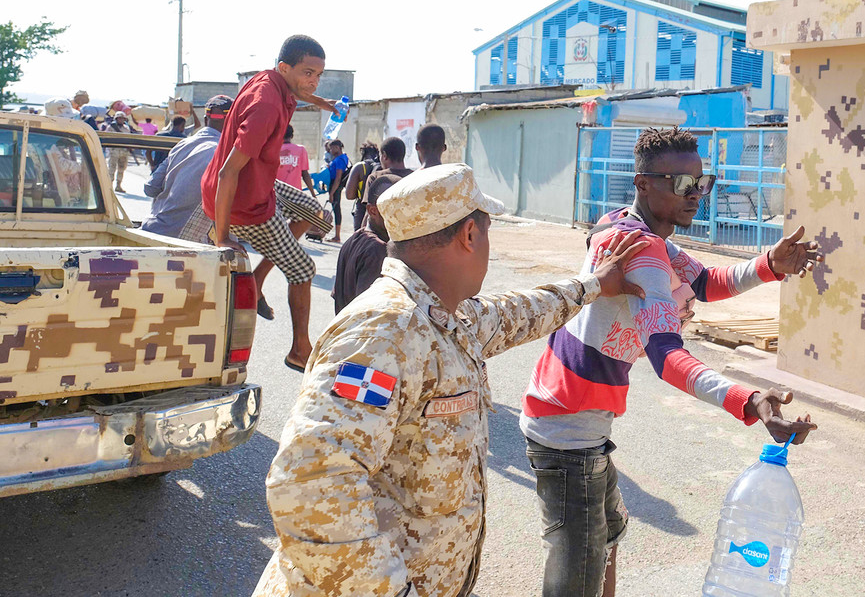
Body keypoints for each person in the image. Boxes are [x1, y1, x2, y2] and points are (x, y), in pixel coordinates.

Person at [254, 163, 649, 597]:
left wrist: (592, 285)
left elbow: (516, 313)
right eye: (488, 232)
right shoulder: (383, 332)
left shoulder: (443, 314)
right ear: (470, 235)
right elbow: (310, 487)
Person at [520, 127, 821, 597]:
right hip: (567, 432)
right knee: (578, 573)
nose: (696, 194)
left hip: (573, 420)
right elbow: (667, 357)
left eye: (703, 182)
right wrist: (748, 400)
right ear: (643, 184)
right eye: (682, 184)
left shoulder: (628, 227)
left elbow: (705, 282)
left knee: (606, 541)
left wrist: (769, 265)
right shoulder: (641, 249)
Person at [201, 34, 337, 372]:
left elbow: (297, 91)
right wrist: (222, 236)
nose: (313, 81)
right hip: (244, 204)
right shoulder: (267, 106)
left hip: (258, 182)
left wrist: (321, 102)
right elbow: (229, 171)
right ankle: (299, 350)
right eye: (308, 73)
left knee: (319, 215)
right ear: (284, 68)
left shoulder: (271, 81)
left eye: (319, 75)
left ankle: (260, 277)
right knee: (303, 270)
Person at [140, 96, 234, 242]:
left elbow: (150, 188)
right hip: (182, 244)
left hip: (150, 230)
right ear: (233, 122)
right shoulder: (226, 156)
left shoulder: (181, 145)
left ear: (206, 119)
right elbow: (226, 210)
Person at [331, 173, 398, 314]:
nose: (402, 214)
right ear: (372, 211)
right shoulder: (378, 250)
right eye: (394, 208)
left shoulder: (354, 239)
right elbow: (369, 312)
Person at [360, 136, 413, 215]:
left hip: (382, 223)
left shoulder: (375, 177)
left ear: (384, 156)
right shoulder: (415, 176)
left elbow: (369, 213)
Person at [345, 141, 380, 230]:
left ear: (363, 153)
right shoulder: (383, 167)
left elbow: (349, 195)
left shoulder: (360, 167)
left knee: (361, 236)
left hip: (362, 209)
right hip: (379, 209)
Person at [101, 110, 138, 193]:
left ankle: (118, 185)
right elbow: (107, 138)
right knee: (111, 169)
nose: (121, 120)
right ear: (116, 119)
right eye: (119, 118)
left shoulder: (126, 128)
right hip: (113, 151)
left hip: (123, 152)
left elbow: (128, 139)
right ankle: (109, 186)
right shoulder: (111, 127)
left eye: (122, 118)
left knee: (121, 169)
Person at [276, 124, 313, 194]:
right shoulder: (301, 149)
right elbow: (305, 174)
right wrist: (313, 193)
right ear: (292, 136)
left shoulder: (274, 150)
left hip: (278, 191)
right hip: (295, 192)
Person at [325, 139, 349, 243]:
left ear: (337, 148)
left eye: (331, 148)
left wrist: (331, 193)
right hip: (334, 185)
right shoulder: (341, 158)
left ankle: (337, 236)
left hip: (335, 186)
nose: (330, 151)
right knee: (336, 209)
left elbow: (338, 178)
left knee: (336, 210)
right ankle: (336, 236)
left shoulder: (340, 160)